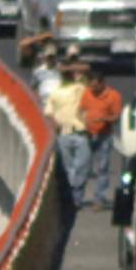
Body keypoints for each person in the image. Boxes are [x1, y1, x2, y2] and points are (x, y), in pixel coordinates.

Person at [45, 57, 90, 208]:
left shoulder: (80, 88)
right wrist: (54, 126)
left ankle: (76, 198)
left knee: (81, 168)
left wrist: (71, 68)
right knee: (67, 168)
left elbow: (87, 69)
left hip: (80, 133)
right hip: (63, 134)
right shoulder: (55, 92)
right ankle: (70, 199)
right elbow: (49, 113)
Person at [79, 69, 123, 209]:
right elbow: (82, 110)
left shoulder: (114, 96)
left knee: (102, 168)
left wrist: (105, 119)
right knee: (82, 167)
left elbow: (116, 116)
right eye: (91, 86)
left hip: (104, 135)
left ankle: (99, 199)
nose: (93, 90)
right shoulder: (87, 93)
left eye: (95, 87)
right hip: (88, 134)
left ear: (103, 83)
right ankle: (77, 199)